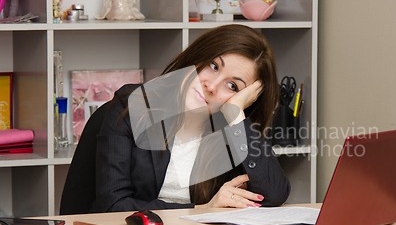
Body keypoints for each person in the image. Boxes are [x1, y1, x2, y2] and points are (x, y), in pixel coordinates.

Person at [89, 24, 291, 212]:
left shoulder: (233, 134)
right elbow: (112, 206)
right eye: (213, 66)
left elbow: (273, 195)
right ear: (198, 56)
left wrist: (236, 114)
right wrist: (202, 209)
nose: (211, 86)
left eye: (232, 86)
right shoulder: (133, 105)